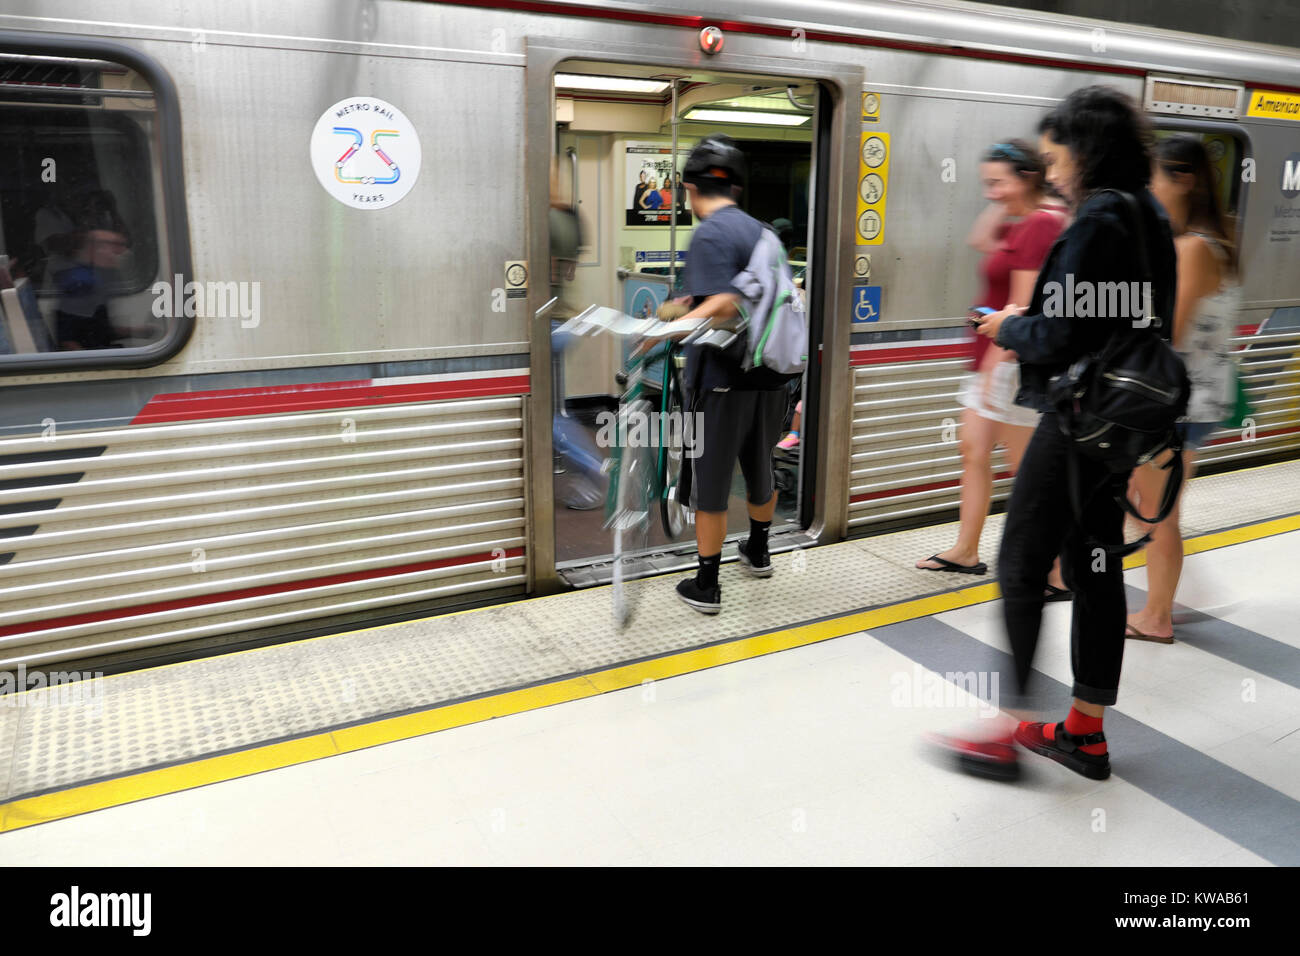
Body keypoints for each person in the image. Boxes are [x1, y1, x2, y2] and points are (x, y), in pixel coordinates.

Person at [930, 86, 1177, 781]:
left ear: (1085, 149)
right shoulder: (1148, 213)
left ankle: (1003, 729)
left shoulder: (1098, 218)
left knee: (1019, 562)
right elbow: (1137, 318)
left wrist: (1008, 326)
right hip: (1122, 421)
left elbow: (1065, 330)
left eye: (1057, 155)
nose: (1054, 169)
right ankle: (1085, 731)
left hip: (1077, 418)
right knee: (1096, 563)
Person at [915, 141, 1066, 598]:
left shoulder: (1041, 225)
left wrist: (990, 374)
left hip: (1010, 366)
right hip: (991, 361)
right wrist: (1002, 199)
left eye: (999, 182)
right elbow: (979, 241)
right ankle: (966, 549)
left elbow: (1018, 310)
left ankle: (1057, 571)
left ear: (1027, 178)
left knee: (1027, 469)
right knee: (973, 452)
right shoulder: (1024, 220)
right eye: (987, 184)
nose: (992, 192)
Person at [650, 135, 791, 614]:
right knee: (760, 463)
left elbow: (725, 305)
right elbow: (723, 294)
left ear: (692, 189)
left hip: (724, 381)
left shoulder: (709, 232)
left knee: (711, 481)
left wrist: (662, 333)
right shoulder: (762, 232)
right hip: (771, 376)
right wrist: (680, 307)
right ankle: (758, 550)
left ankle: (706, 584)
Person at [1125, 135, 1241, 643]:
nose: (1148, 189)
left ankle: (1157, 616)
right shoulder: (1212, 239)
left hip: (1177, 403)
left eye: (1153, 178)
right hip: (1190, 399)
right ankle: (1172, 596)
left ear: (1183, 180)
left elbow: (1168, 329)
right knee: (1147, 505)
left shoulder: (1193, 247)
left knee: (1157, 513)